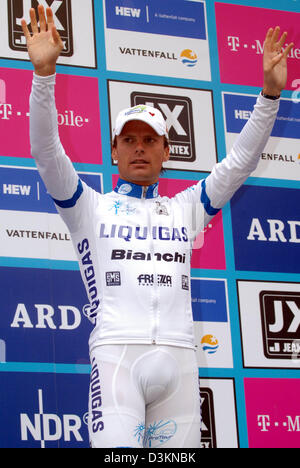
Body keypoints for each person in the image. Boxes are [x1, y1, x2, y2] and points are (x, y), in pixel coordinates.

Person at [22, 5, 293, 448]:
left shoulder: (187, 208)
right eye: (129, 140)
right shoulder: (89, 206)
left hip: (180, 359)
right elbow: (46, 153)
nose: (139, 148)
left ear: (167, 151)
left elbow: (240, 162)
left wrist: (269, 97)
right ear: (115, 151)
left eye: (149, 140)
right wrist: (44, 75)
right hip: (117, 358)